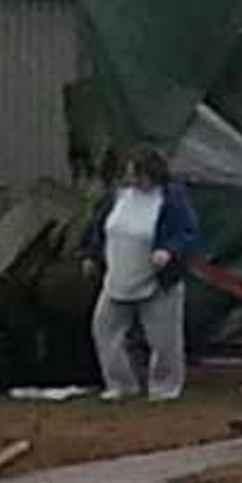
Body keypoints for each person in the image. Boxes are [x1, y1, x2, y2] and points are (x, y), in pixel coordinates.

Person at [80, 146, 204, 402]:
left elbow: (187, 233)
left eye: (138, 175)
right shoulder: (118, 196)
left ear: (152, 174)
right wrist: (92, 255)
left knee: (163, 340)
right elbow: (100, 227)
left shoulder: (172, 198)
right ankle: (121, 384)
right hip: (118, 277)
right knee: (104, 329)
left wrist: (169, 251)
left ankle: (165, 388)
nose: (133, 180)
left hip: (157, 281)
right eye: (130, 175)